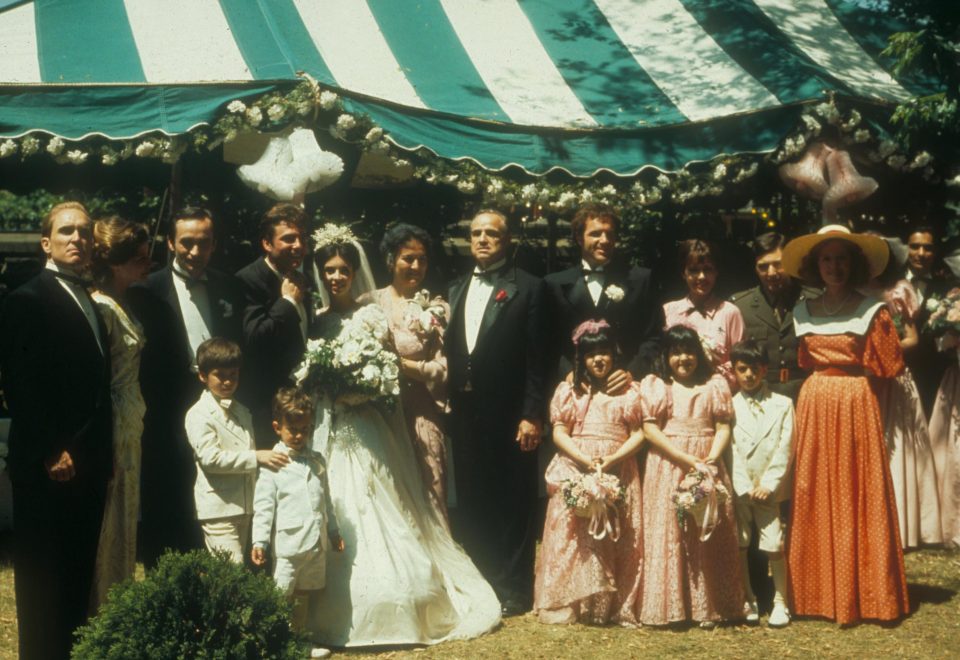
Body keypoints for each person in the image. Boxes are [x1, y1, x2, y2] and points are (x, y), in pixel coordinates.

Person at [306, 228, 501, 646]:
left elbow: (386, 369)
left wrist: (360, 387)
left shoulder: (374, 316)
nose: (336, 277)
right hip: (330, 424)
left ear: (354, 271)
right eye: (329, 271)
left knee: (389, 501)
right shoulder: (318, 319)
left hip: (370, 418)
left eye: (343, 270)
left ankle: (406, 596)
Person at [0, 202, 112, 659]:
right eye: (67, 231)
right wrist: (52, 449)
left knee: (75, 583)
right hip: (49, 467)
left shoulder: (87, 296)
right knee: (43, 589)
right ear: (46, 242)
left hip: (87, 465)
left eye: (85, 233)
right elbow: (20, 382)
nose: (77, 239)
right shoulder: (26, 299)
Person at [781, 225, 909, 624]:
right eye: (826, 259)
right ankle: (817, 591)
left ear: (853, 264)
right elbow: (805, 362)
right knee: (814, 487)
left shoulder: (873, 310)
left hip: (855, 400)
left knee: (858, 486)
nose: (834, 266)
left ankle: (866, 594)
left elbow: (889, 365)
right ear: (814, 265)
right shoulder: (802, 311)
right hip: (817, 402)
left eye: (841, 259)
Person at [128, 206, 245, 568]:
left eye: (204, 243)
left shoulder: (229, 286)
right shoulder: (146, 290)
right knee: (168, 502)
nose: (195, 252)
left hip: (221, 411)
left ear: (214, 244)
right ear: (171, 243)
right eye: (187, 243)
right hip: (166, 415)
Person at [445, 209, 547, 614]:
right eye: (476, 233)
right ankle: (483, 583)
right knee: (472, 499)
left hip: (512, 413)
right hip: (466, 414)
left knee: (513, 500)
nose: (483, 239)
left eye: (491, 233)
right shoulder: (454, 288)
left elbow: (539, 359)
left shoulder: (529, 288)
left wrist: (532, 414)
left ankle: (516, 589)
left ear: (508, 241)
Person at [533, 320, 644, 626]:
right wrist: (584, 459)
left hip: (616, 466)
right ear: (581, 359)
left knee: (613, 534)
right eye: (592, 354)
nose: (599, 360)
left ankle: (607, 603)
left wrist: (611, 461)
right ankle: (575, 601)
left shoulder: (629, 391)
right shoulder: (570, 391)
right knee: (574, 535)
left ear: (614, 355)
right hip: (576, 464)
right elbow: (559, 432)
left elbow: (638, 433)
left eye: (605, 353)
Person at [637, 325, 743, 627]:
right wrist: (684, 458)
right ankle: (671, 606)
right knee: (670, 532)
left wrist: (711, 457)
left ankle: (708, 605)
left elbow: (723, 426)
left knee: (706, 529)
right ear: (666, 356)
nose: (683, 358)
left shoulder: (714, 385)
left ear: (698, 354)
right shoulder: (658, 385)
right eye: (676, 352)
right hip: (670, 461)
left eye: (689, 352)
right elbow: (650, 428)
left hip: (706, 460)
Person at [363, 223, 450, 524]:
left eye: (422, 259)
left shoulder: (437, 309)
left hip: (421, 412)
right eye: (407, 258)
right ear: (390, 260)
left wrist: (399, 365)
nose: (415, 266)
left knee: (431, 487)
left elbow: (441, 371)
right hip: (380, 415)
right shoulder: (368, 303)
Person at [252, 387, 344, 660]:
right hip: (289, 545)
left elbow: (325, 500)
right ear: (277, 427)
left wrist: (334, 529)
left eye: (305, 429)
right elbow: (264, 506)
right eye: (292, 429)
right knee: (282, 593)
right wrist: (260, 541)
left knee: (304, 593)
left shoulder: (317, 460)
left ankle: (298, 641)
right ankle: (274, 643)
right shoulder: (273, 464)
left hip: (315, 542)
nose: (299, 436)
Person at [88, 216, 151, 609]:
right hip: (113, 423)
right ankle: (102, 611)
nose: (147, 266)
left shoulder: (125, 301)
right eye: (140, 259)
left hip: (131, 422)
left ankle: (118, 609)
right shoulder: (101, 307)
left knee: (126, 517)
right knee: (109, 523)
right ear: (115, 263)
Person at [185, 338, 289, 563]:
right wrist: (257, 457)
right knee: (232, 572)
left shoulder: (243, 412)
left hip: (245, 507)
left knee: (234, 575)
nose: (227, 381)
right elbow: (210, 459)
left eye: (233, 375)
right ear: (202, 376)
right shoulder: (198, 414)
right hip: (218, 508)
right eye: (220, 375)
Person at [865, 250, 943, 549]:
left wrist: (882, 352)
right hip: (867, 380)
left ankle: (901, 523)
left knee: (897, 449)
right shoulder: (856, 290)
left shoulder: (898, 291)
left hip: (894, 379)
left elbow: (912, 338)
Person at [543, 203, 661, 390]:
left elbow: (654, 336)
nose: (605, 240)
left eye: (610, 234)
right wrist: (567, 372)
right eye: (595, 233)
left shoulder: (640, 280)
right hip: (574, 391)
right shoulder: (554, 285)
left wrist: (633, 372)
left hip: (627, 389)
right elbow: (546, 342)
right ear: (579, 238)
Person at [729, 340, 794, 628]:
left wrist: (768, 483)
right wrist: (743, 485)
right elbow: (728, 448)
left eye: (754, 369)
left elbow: (786, 447)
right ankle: (749, 598)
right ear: (733, 371)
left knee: (774, 544)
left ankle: (781, 601)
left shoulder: (782, 404)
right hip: (742, 488)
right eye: (742, 369)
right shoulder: (728, 407)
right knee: (742, 542)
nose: (748, 375)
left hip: (768, 489)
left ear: (765, 369)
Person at [236, 203, 310, 449]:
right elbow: (254, 338)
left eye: (302, 238)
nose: (298, 245)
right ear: (267, 244)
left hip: (303, 402)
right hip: (266, 405)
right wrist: (287, 302)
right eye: (289, 239)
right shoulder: (248, 279)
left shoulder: (301, 279)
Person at [730, 232, 818, 401]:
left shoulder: (813, 301)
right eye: (763, 267)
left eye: (778, 264)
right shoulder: (740, 306)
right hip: (760, 396)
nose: (771, 273)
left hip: (804, 395)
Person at [663, 239, 745, 390]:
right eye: (694, 270)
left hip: (719, 395)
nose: (701, 277)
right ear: (683, 273)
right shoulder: (668, 311)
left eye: (707, 269)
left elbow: (739, 363)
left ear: (716, 272)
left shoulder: (730, 313)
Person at [904, 226, 952, 416]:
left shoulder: (948, 290)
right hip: (898, 376)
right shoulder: (889, 286)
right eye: (915, 246)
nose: (921, 253)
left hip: (935, 378)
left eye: (928, 248)